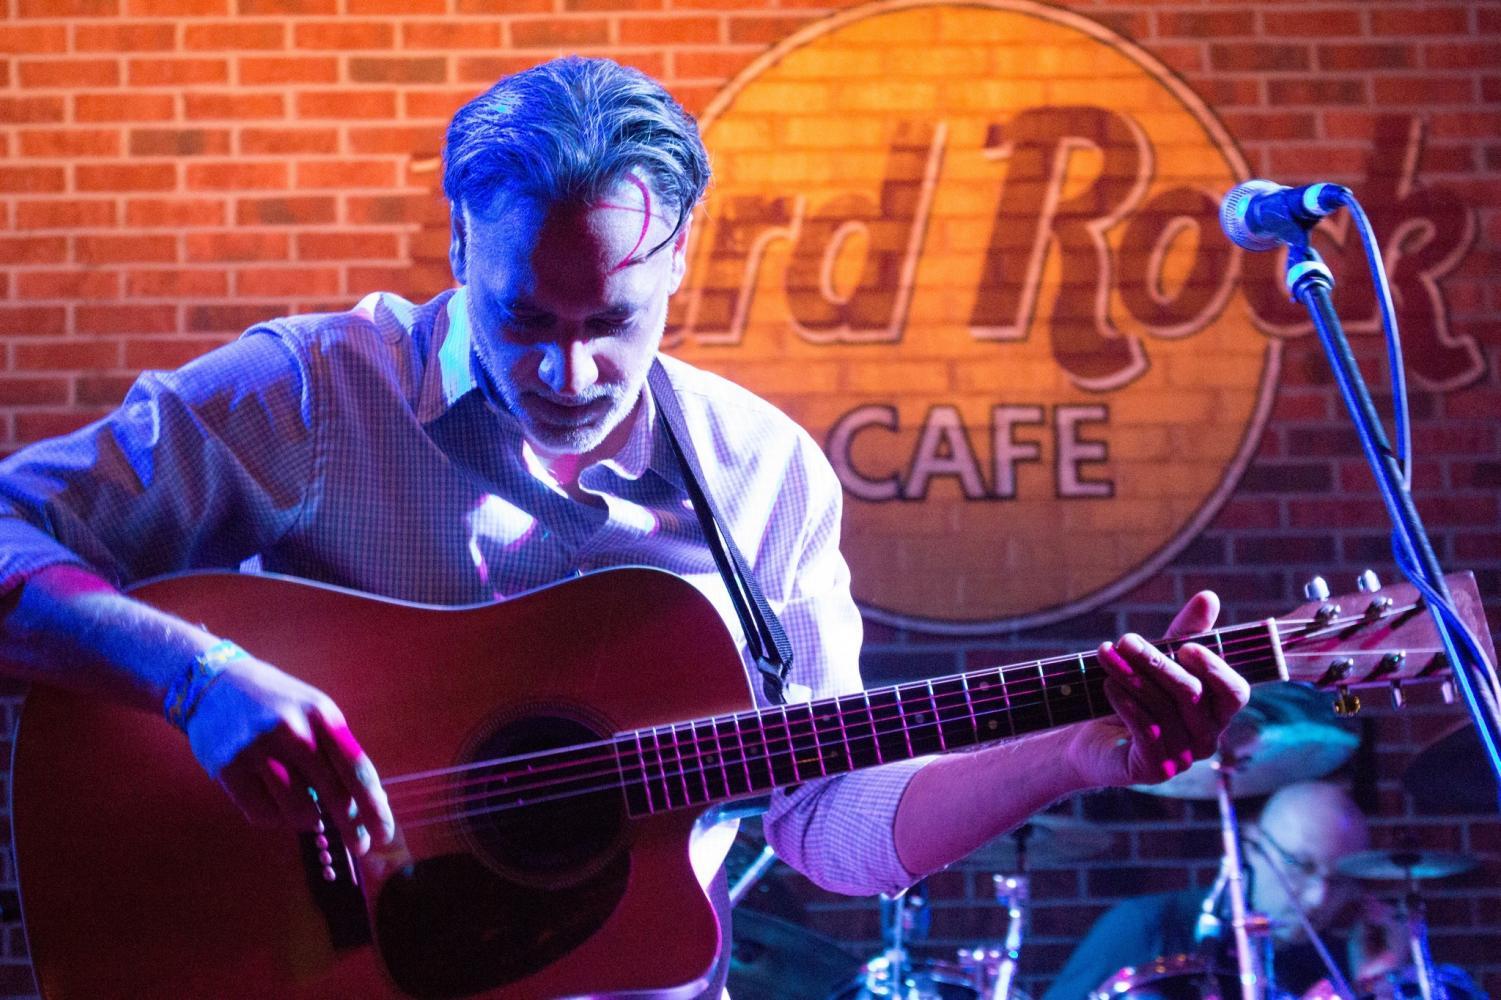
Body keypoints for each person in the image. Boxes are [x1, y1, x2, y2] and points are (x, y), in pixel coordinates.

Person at [0, 56, 1248, 996]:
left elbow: (832, 827)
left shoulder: (760, 475)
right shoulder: (317, 392)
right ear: (456, 243)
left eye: (611, 322)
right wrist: (196, 677)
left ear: (677, 264)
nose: (571, 369)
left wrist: (1069, 755)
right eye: (522, 318)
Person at [1042, 781, 1379, 1000]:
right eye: (1300, 866)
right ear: (1249, 847)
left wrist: (1378, 981)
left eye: (1338, 880)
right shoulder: (1147, 926)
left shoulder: (1333, 961)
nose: (1318, 897)